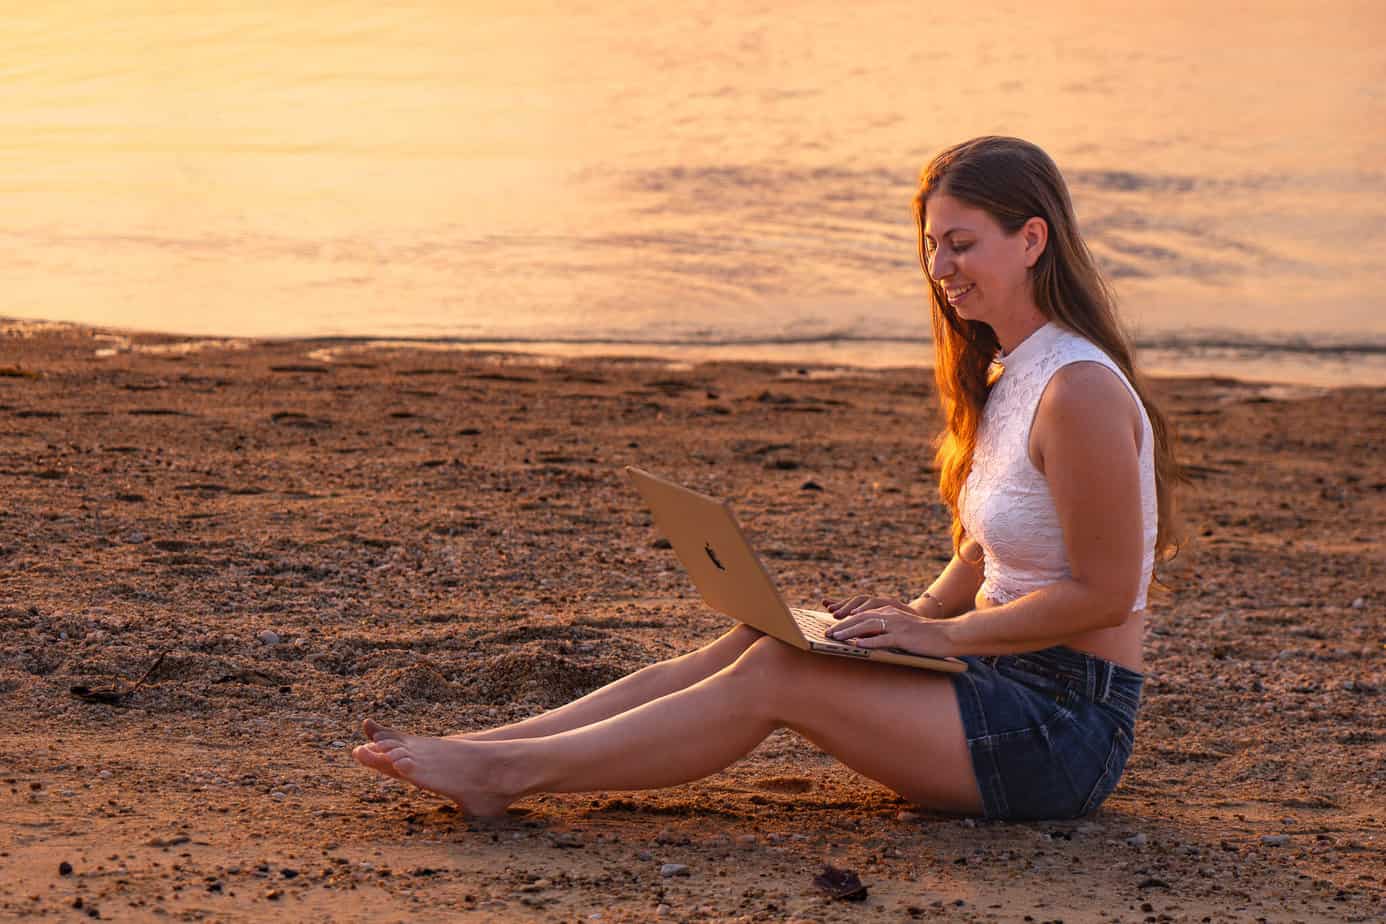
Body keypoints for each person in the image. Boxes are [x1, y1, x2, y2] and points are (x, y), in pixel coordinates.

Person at [352, 136, 1182, 821]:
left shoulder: (1079, 389)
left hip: (1064, 729)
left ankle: (502, 778)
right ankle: (493, 748)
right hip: (990, 680)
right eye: (932, 244)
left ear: (1032, 239)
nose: (940, 267)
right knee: (772, 634)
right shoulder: (1008, 374)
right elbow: (984, 553)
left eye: (961, 244)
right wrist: (914, 613)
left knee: (778, 676)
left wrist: (944, 638)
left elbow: (1107, 592)